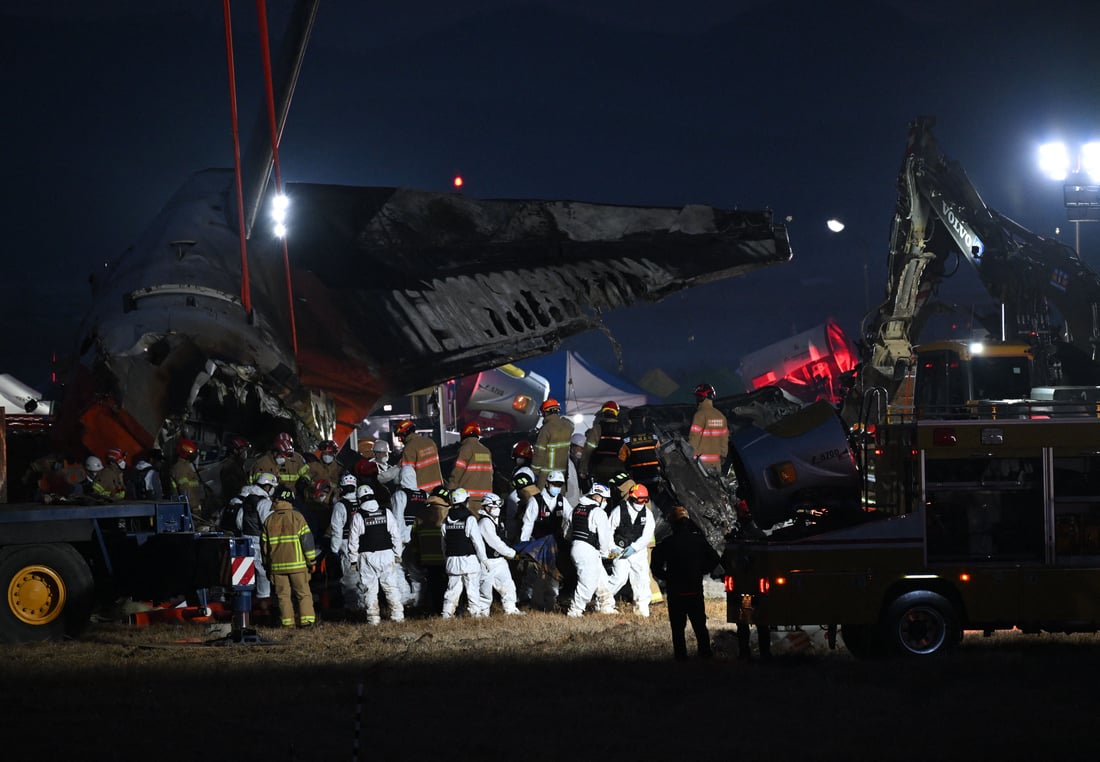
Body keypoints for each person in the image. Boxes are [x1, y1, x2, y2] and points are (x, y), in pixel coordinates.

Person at [650, 505, 721, 660]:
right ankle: (705, 654)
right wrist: (701, 571)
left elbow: (655, 566)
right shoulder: (698, 540)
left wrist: (667, 576)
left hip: (676, 591)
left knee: (677, 628)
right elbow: (715, 559)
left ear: (672, 524)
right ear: (687, 522)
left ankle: (681, 658)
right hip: (694, 589)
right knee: (700, 625)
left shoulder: (667, 543)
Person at [347, 484, 405, 625]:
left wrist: (353, 560)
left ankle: (373, 619)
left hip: (367, 557)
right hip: (387, 555)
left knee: (370, 589)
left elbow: (353, 541)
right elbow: (396, 535)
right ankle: (398, 616)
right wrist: (397, 554)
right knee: (391, 587)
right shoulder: (386, 512)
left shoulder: (359, 517)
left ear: (359, 500)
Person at [261, 493, 319, 628]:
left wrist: (267, 565)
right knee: (303, 594)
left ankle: (287, 624)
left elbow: (264, 547)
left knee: (283, 596)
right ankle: (307, 622)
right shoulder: (297, 517)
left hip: (277, 567)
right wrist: (311, 561)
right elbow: (307, 541)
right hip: (297, 566)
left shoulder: (269, 520)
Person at [564, 484, 617, 617]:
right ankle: (575, 611)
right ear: (597, 497)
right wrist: (606, 553)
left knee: (601, 579)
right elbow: (604, 537)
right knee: (587, 583)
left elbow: (566, 532)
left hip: (577, 547)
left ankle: (606, 606)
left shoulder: (576, 509)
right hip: (588, 550)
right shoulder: (598, 512)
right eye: (604, 499)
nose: (605, 502)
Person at [607, 483, 658, 617]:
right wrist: (612, 547)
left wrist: (634, 547)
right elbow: (608, 530)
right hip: (620, 550)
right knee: (619, 578)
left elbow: (647, 535)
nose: (642, 503)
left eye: (644, 500)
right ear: (632, 498)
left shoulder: (647, 514)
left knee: (642, 579)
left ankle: (642, 610)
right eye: (639, 500)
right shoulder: (619, 511)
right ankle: (603, 603)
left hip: (638, 552)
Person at [441, 488, 489, 618]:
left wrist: (447, 559)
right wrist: (484, 560)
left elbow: (444, 544)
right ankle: (475, 615)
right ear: (465, 501)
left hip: (452, 561)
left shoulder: (446, 521)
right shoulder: (470, 519)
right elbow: (477, 542)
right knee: (472, 589)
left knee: (452, 590)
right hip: (469, 561)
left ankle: (446, 614)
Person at [477, 493, 524, 615]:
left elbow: (503, 540)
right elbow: (496, 543)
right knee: (485, 591)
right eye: (494, 506)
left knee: (508, 585)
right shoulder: (484, 523)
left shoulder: (497, 521)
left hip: (499, 560)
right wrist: (512, 554)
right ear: (486, 507)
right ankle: (482, 614)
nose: (497, 509)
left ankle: (510, 609)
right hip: (487, 562)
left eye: (498, 506)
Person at [238, 473, 278, 609]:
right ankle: (264, 599)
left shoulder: (247, 499)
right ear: (267, 486)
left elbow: (239, 521)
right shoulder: (264, 502)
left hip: (246, 539)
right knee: (263, 570)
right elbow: (270, 523)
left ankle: (246, 599)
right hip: (259, 540)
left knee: (245, 572)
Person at [328, 473, 363, 613]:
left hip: (346, 545)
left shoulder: (340, 505)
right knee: (364, 577)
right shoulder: (362, 502)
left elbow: (337, 529)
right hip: (363, 545)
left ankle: (353, 608)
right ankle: (365, 605)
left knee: (350, 579)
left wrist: (334, 549)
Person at [447, 421, 494, 514]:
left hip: (469, 498)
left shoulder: (465, 449)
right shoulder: (486, 451)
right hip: (485, 499)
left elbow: (457, 473)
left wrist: (450, 489)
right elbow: (491, 475)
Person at [579, 400, 627, 486]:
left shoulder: (597, 428)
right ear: (616, 413)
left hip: (599, 469)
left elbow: (588, 450)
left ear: (603, 412)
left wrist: (583, 469)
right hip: (619, 469)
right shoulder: (623, 429)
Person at [688, 383, 729, 477]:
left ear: (701, 397)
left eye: (698, 397)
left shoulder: (700, 415)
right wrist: (722, 456)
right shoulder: (721, 417)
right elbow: (724, 441)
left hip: (701, 466)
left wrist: (688, 457)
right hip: (716, 465)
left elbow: (693, 440)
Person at [532, 398, 574, 489]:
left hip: (546, 476)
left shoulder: (546, 429)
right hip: (562, 474)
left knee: (544, 500)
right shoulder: (568, 427)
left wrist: (534, 472)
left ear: (546, 412)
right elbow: (571, 425)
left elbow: (539, 453)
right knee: (559, 499)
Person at [505, 440, 539, 543]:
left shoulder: (524, 471)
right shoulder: (523, 469)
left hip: (517, 508)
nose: (517, 460)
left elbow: (522, 491)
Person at [395, 419, 444, 491]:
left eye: (400, 436)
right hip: (437, 489)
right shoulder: (430, 442)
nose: (400, 440)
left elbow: (406, 474)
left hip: (422, 491)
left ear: (404, 434)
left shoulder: (409, 448)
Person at [620, 407, 661, 487]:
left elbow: (621, 459)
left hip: (637, 479)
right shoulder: (653, 436)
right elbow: (660, 454)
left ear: (629, 421)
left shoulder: (625, 439)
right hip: (655, 477)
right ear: (643, 419)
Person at [170, 438, 206, 517]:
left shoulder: (186, 466)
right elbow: (185, 489)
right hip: (187, 509)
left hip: (190, 507)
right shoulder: (180, 468)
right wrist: (194, 507)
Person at [219, 436, 251, 506]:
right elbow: (232, 489)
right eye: (242, 450)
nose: (245, 453)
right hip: (232, 503)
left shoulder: (238, 464)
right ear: (235, 451)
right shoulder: (230, 466)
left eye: (245, 450)